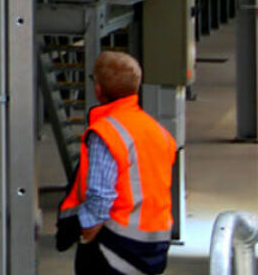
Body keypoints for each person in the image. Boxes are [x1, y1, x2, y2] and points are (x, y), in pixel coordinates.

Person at [56, 51, 178, 274]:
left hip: (118, 246)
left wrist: (86, 234)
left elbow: (100, 199)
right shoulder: (158, 132)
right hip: (155, 245)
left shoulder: (106, 133)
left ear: (98, 89)